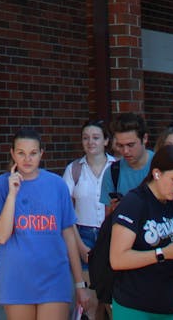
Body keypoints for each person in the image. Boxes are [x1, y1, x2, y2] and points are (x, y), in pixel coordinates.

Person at [0, 128, 89, 320]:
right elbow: (1, 236)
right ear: (12, 153)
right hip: (17, 278)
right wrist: (12, 194)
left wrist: (79, 284)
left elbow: (68, 235)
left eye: (33, 153)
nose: (27, 159)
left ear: (42, 153)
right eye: (21, 153)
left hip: (54, 276)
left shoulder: (57, 185)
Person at [109, 146, 173, 320]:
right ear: (157, 173)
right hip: (134, 304)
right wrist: (162, 253)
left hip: (167, 303)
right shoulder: (134, 202)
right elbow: (117, 259)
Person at [63, 119, 116, 319]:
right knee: (90, 302)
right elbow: (65, 210)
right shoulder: (74, 169)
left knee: (111, 300)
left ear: (106, 141)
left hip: (110, 235)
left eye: (95, 137)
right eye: (86, 138)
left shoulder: (117, 167)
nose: (90, 142)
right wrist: (78, 244)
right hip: (83, 234)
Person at [100, 113, 154, 213]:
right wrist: (114, 210)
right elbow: (107, 220)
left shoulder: (162, 165)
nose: (125, 151)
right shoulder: (112, 172)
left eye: (130, 145)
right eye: (120, 145)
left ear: (145, 138)